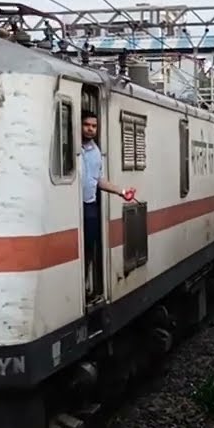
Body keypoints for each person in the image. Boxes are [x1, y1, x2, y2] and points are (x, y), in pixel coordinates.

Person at [79, 112, 132, 303]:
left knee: (89, 249)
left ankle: (86, 287)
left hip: (89, 206)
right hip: (72, 206)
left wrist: (121, 191)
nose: (90, 129)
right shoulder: (70, 147)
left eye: (94, 126)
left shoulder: (95, 152)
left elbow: (98, 180)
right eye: (86, 125)